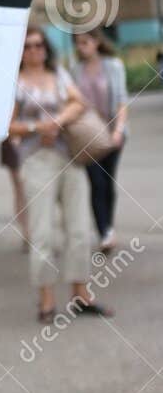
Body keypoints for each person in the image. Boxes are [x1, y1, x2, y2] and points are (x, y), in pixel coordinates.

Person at [7, 27, 111, 324]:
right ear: (20, 51)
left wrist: (57, 121)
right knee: (43, 232)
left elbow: (79, 102)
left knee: (79, 228)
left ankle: (80, 294)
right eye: (27, 46)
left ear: (46, 48)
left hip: (70, 157)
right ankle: (46, 298)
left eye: (39, 45)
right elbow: (7, 124)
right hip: (36, 159)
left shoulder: (59, 75)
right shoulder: (15, 83)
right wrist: (37, 128)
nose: (34, 51)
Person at [71, 28, 128, 252]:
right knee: (97, 182)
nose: (81, 47)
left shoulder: (113, 65)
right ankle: (104, 232)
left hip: (112, 132)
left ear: (96, 42)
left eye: (85, 42)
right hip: (87, 135)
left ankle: (109, 227)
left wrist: (119, 131)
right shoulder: (75, 70)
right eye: (77, 43)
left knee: (109, 183)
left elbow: (122, 101)